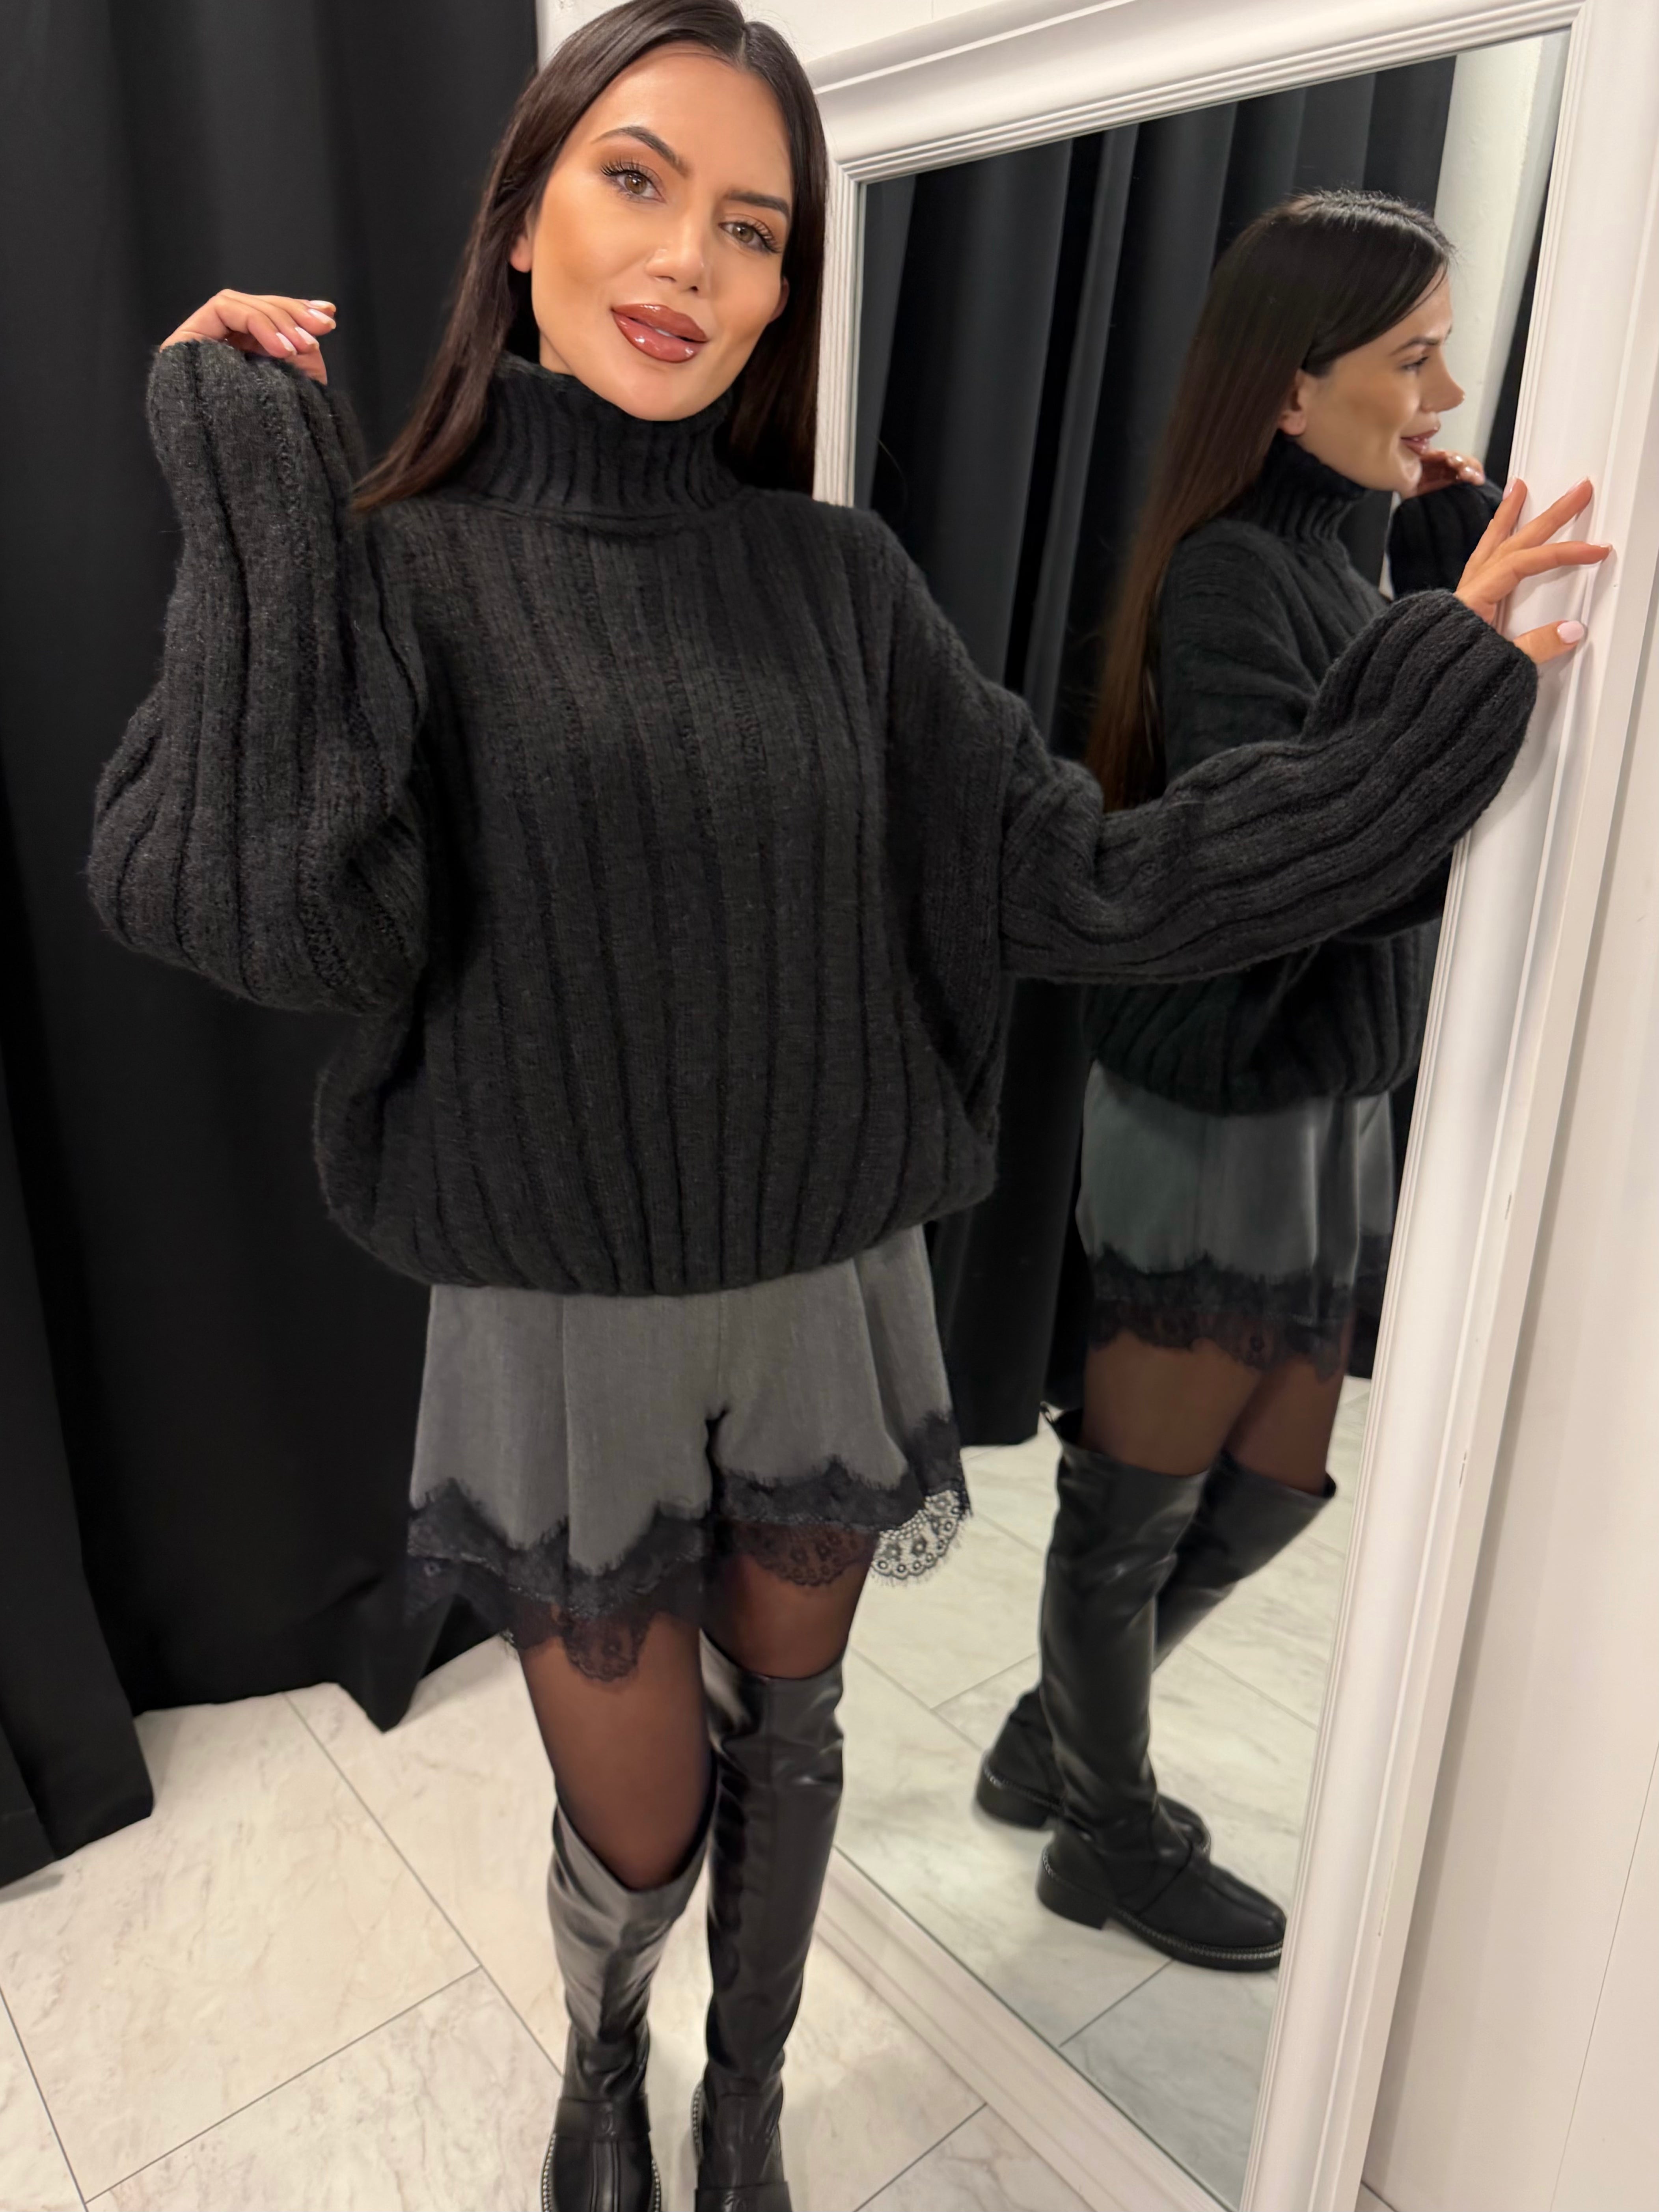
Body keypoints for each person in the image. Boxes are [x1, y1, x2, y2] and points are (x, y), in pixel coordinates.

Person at [86, 0, 1603, 2194]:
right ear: (519, 220)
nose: (689, 260)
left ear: (785, 283)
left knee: (788, 1739)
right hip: (563, 1324)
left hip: (823, 1285)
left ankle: (746, 2097)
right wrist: (253, 483)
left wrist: (1435, 687)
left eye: (752, 225)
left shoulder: (839, 583)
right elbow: (264, 916)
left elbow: (1091, 880)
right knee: (641, 1809)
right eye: (635, 182)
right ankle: (605, 2047)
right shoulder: (404, 567)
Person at [975, 190, 1604, 1975]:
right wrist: (1451, 635)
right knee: (1134, 1503)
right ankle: (1102, 1829)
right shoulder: (1229, 572)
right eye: (1413, 356)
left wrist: (1445, 546)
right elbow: (1306, 849)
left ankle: (1049, 1733)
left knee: (1266, 1489)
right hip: (1213, 1095)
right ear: (1287, 385)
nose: (1446, 390)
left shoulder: (1337, 557)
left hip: (1328, 1089)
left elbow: (1389, 769)